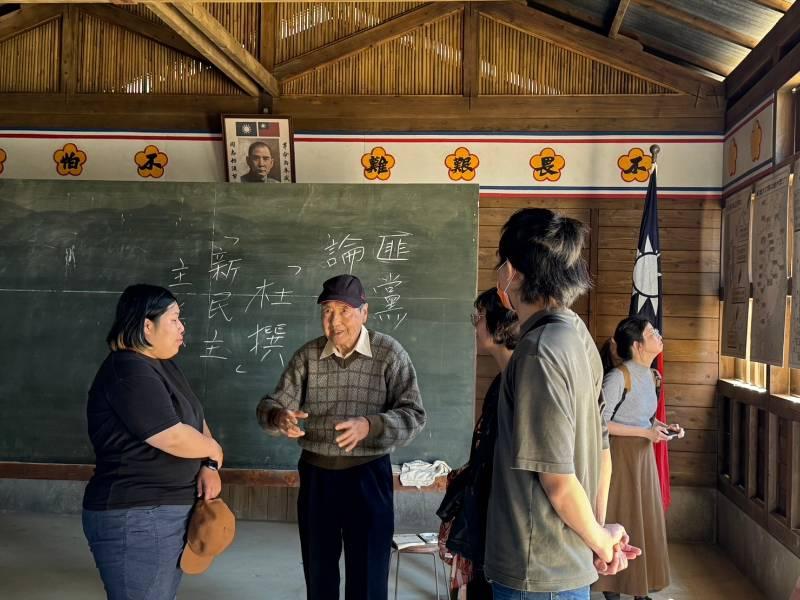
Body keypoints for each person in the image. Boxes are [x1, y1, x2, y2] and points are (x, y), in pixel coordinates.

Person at [485, 208, 641, 600]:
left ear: (513, 272)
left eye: (500, 264)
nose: (498, 274)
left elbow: (556, 480)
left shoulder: (539, 351)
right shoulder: (574, 330)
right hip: (566, 558)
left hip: (536, 569)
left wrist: (602, 544)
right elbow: (601, 447)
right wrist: (597, 530)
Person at [256, 274, 427, 600]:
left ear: (364, 312)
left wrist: (370, 425)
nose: (334, 321)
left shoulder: (389, 353)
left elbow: (414, 415)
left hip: (369, 474)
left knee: (368, 574)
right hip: (318, 476)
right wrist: (280, 416)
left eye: (344, 311)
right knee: (319, 572)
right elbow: (271, 404)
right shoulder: (308, 356)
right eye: (327, 311)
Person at [82, 284, 224, 600]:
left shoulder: (162, 364)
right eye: (174, 319)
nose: (182, 327)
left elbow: (195, 419)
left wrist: (209, 464)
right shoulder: (128, 369)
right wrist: (214, 449)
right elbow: (171, 436)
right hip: (136, 516)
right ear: (147, 326)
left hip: (162, 513)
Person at [594, 316, 684, 600]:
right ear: (636, 345)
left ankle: (639, 589)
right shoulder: (618, 377)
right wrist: (645, 433)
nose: (658, 334)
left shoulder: (653, 376)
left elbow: (644, 419)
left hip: (642, 459)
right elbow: (600, 424)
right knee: (620, 517)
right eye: (651, 332)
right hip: (617, 459)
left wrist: (662, 428)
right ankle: (612, 589)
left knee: (642, 521)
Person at [437, 288, 518, 599]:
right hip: (488, 510)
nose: (475, 325)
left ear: (501, 323)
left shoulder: (515, 379)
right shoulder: (503, 377)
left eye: (479, 317)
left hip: (500, 516)